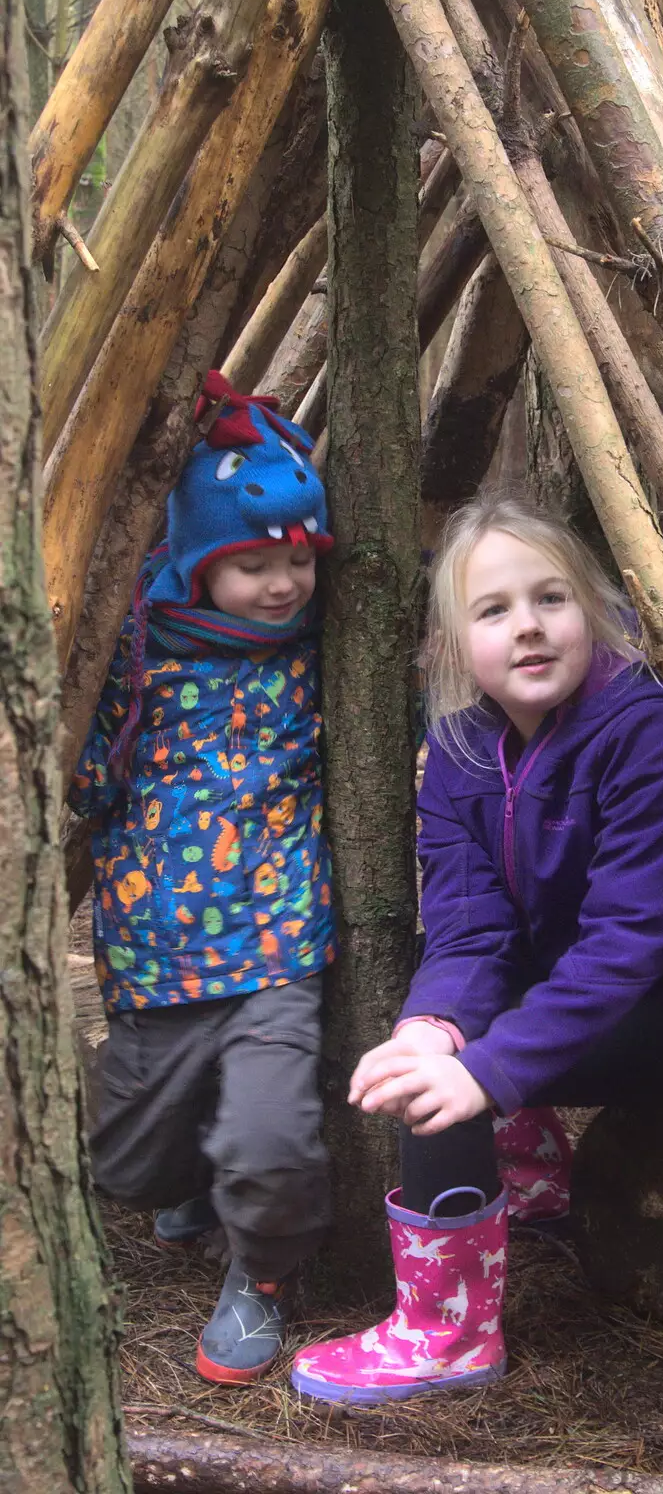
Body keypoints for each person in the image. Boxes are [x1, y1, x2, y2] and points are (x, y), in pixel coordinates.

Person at [290, 494, 663, 1407]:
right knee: (436, 1055)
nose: (527, 627)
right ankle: (525, 1182)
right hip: (576, 979)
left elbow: (626, 944)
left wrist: (484, 1074)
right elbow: (473, 926)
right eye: (493, 610)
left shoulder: (647, 731)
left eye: (550, 599)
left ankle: (447, 1334)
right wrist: (432, 1028)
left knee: (452, 1101)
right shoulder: (459, 747)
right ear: (452, 646)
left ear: (590, 612)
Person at [70, 371, 336, 1386]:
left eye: (297, 560)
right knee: (125, 1167)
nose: (283, 585)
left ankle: (263, 1276)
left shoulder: (315, 655)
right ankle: (186, 1174)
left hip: (277, 947)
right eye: (252, 563)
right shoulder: (141, 654)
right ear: (193, 560)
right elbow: (89, 779)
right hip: (155, 954)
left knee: (270, 1142)